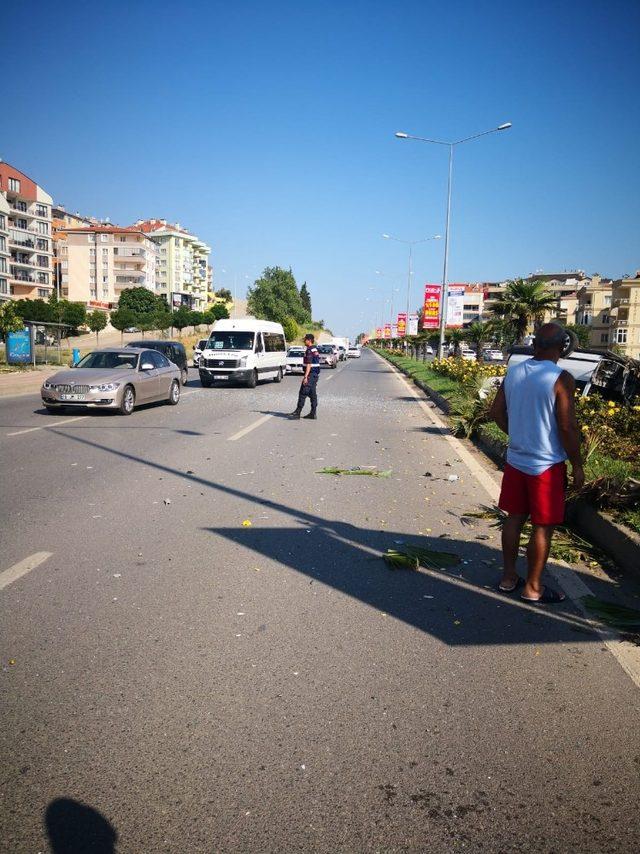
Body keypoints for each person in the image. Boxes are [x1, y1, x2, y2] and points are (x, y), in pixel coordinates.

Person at [488, 323, 585, 604]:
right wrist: (577, 465)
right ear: (562, 347)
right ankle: (533, 588)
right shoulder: (560, 377)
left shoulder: (515, 371)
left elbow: (496, 411)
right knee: (542, 527)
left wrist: (516, 435)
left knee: (514, 518)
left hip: (516, 460)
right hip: (547, 465)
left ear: (535, 345)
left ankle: (508, 578)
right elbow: (567, 427)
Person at [289, 333, 320, 419]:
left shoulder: (309, 350)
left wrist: (306, 377)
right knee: (312, 394)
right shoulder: (315, 349)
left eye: (305, 339)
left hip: (310, 375)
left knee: (303, 392)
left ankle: (297, 412)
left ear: (309, 340)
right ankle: (313, 413)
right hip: (315, 375)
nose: (304, 340)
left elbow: (309, 364)